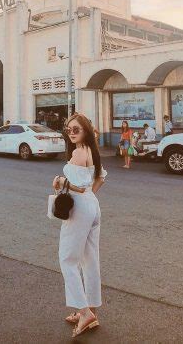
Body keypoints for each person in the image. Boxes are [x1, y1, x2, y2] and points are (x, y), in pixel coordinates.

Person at [52, 113, 107, 338]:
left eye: (76, 129)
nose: (71, 132)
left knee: (68, 259)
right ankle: (91, 310)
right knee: (90, 260)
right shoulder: (93, 152)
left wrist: (61, 182)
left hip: (81, 208)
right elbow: (99, 178)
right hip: (93, 206)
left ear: (85, 130)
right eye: (69, 129)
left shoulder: (77, 152)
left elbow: (78, 185)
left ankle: (84, 313)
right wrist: (87, 198)